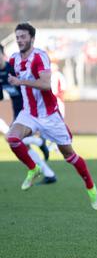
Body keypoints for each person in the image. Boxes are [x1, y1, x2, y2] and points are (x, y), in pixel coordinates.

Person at [6, 23, 97, 210]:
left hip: (49, 116)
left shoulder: (39, 56)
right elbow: (4, 69)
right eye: (17, 37)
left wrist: (20, 81)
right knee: (12, 138)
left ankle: (91, 188)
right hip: (29, 113)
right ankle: (34, 168)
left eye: (23, 37)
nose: (19, 40)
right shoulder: (14, 59)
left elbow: (45, 84)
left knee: (70, 155)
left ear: (32, 38)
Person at [0, 43, 57, 185]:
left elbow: (34, 82)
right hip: (18, 111)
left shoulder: (13, 68)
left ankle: (39, 142)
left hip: (30, 109)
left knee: (12, 139)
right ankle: (49, 174)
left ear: (3, 55)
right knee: (21, 144)